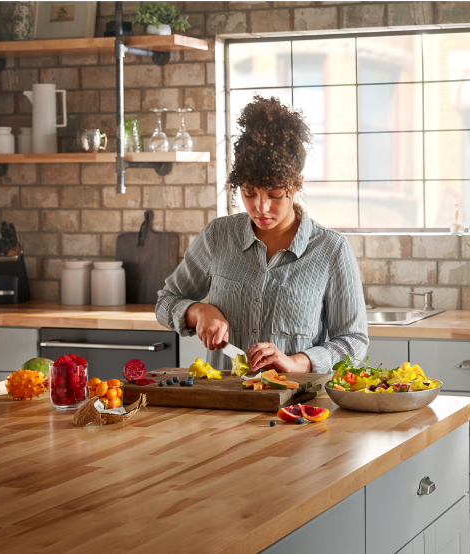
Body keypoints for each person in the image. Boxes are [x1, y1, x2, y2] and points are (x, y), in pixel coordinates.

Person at [156, 96, 368, 373]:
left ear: (297, 184)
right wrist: (199, 312)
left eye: (275, 194)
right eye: (249, 192)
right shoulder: (218, 236)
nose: (261, 207)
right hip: (225, 397)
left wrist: (296, 362)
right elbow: (166, 301)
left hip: (296, 399)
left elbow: (353, 342)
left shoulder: (332, 249)